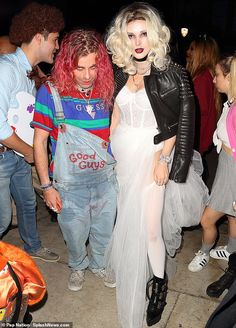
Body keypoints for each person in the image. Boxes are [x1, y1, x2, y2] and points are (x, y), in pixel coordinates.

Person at [103, 2, 202, 327]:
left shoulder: (171, 72)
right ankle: (129, 267)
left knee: (150, 230)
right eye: (130, 35)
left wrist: (163, 160)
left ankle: (158, 284)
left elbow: (177, 122)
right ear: (122, 38)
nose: (137, 41)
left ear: (155, 34)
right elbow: (116, 112)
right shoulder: (120, 71)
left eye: (143, 33)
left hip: (153, 154)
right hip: (123, 156)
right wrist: (109, 143)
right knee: (125, 218)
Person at [32, 29, 117, 292]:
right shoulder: (51, 92)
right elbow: (39, 142)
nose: (88, 75)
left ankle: (99, 263)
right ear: (67, 65)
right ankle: (78, 265)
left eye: (93, 67)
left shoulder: (107, 89)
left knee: (104, 230)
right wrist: (47, 186)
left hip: (105, 178)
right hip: (69, 183)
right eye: (80, 68)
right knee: (74, 233)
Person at [0, 2, 65, 261]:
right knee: (3, 216)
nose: (57, 46)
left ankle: (33, 247)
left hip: (15, 154)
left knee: (28, 204)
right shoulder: (6, 69)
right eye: (55, 39)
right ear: (39, 37)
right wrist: (30, 151)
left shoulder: (29, 72)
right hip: (4, 154)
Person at [188, 55, 236, 273]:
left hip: (233, 172)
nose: (214, 80)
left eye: (217, 75)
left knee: (206, 219)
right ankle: (232, 250)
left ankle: (204, 253)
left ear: (229, 77)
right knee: (232, 214)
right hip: (226, 167)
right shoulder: (231, 102)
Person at [186, 36, 221, 181]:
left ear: (203, 54)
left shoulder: (202, 78)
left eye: (192, 49)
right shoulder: (206, 76)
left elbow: (198, 113)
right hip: (200, 139)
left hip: (197, 139)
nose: (188, 51)